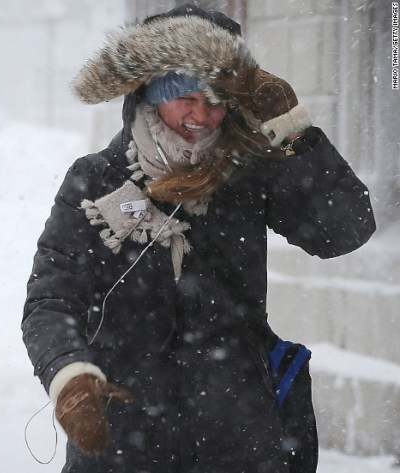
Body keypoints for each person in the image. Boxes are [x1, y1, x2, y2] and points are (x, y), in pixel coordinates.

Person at [21, 4, 376, 473]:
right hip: (124, 437)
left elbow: (345, 229)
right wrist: (69, 375)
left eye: (215, 99)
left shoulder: (248, 176)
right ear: (150, 91)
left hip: (237, 435)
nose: (201, 114)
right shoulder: (96, 180)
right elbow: (51, 300)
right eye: (184, 95)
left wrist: (292, 129)